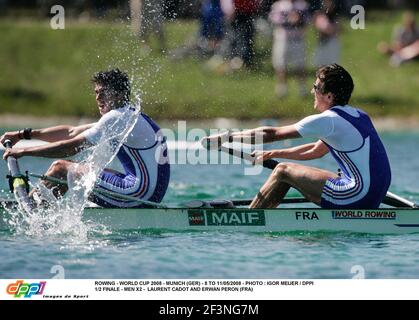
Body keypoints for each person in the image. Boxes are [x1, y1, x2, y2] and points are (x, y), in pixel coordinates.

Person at [202, 64, 391, 209]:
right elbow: (315, 150)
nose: (312, 92)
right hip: (374, 194)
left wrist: (228, 137)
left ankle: (251, 219)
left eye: (316, 88)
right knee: (289, 171)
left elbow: (272, 133)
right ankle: (262, 212)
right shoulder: (358, 115)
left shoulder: (328, 120)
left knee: (283, 171)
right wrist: (274, 153)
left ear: (329, 96)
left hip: (357, 196)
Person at [1, 69, 170, 208]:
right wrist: (22, 135)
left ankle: (29, 211)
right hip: (148, 193)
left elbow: (71, 147)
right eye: (96, 93)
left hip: (139, 194)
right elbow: (71, 132)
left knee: (60, 168)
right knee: (85, 170)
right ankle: (38, 209)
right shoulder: (127, 115)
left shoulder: (117, 118)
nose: (98, 98)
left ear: (119, 95)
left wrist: (22, 152)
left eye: (103, 93)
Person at [269, 0, 310, 98]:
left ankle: (302, 89)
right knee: (280, 65)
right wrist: (288, 19)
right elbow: (274, 20)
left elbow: (308, 20)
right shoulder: (279, 5)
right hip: (283, 38)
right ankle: (282, 89)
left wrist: (299, 19)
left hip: (297, 39)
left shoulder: (302, 5)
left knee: (300, 65)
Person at [312, 0, 340, 67]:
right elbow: (319, 28)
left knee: (333, 63)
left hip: (332, 40)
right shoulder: (320, 15)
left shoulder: (335, 15)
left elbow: (339, 29)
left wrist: (332, 30)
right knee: (321, 63)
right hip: (323, 41)